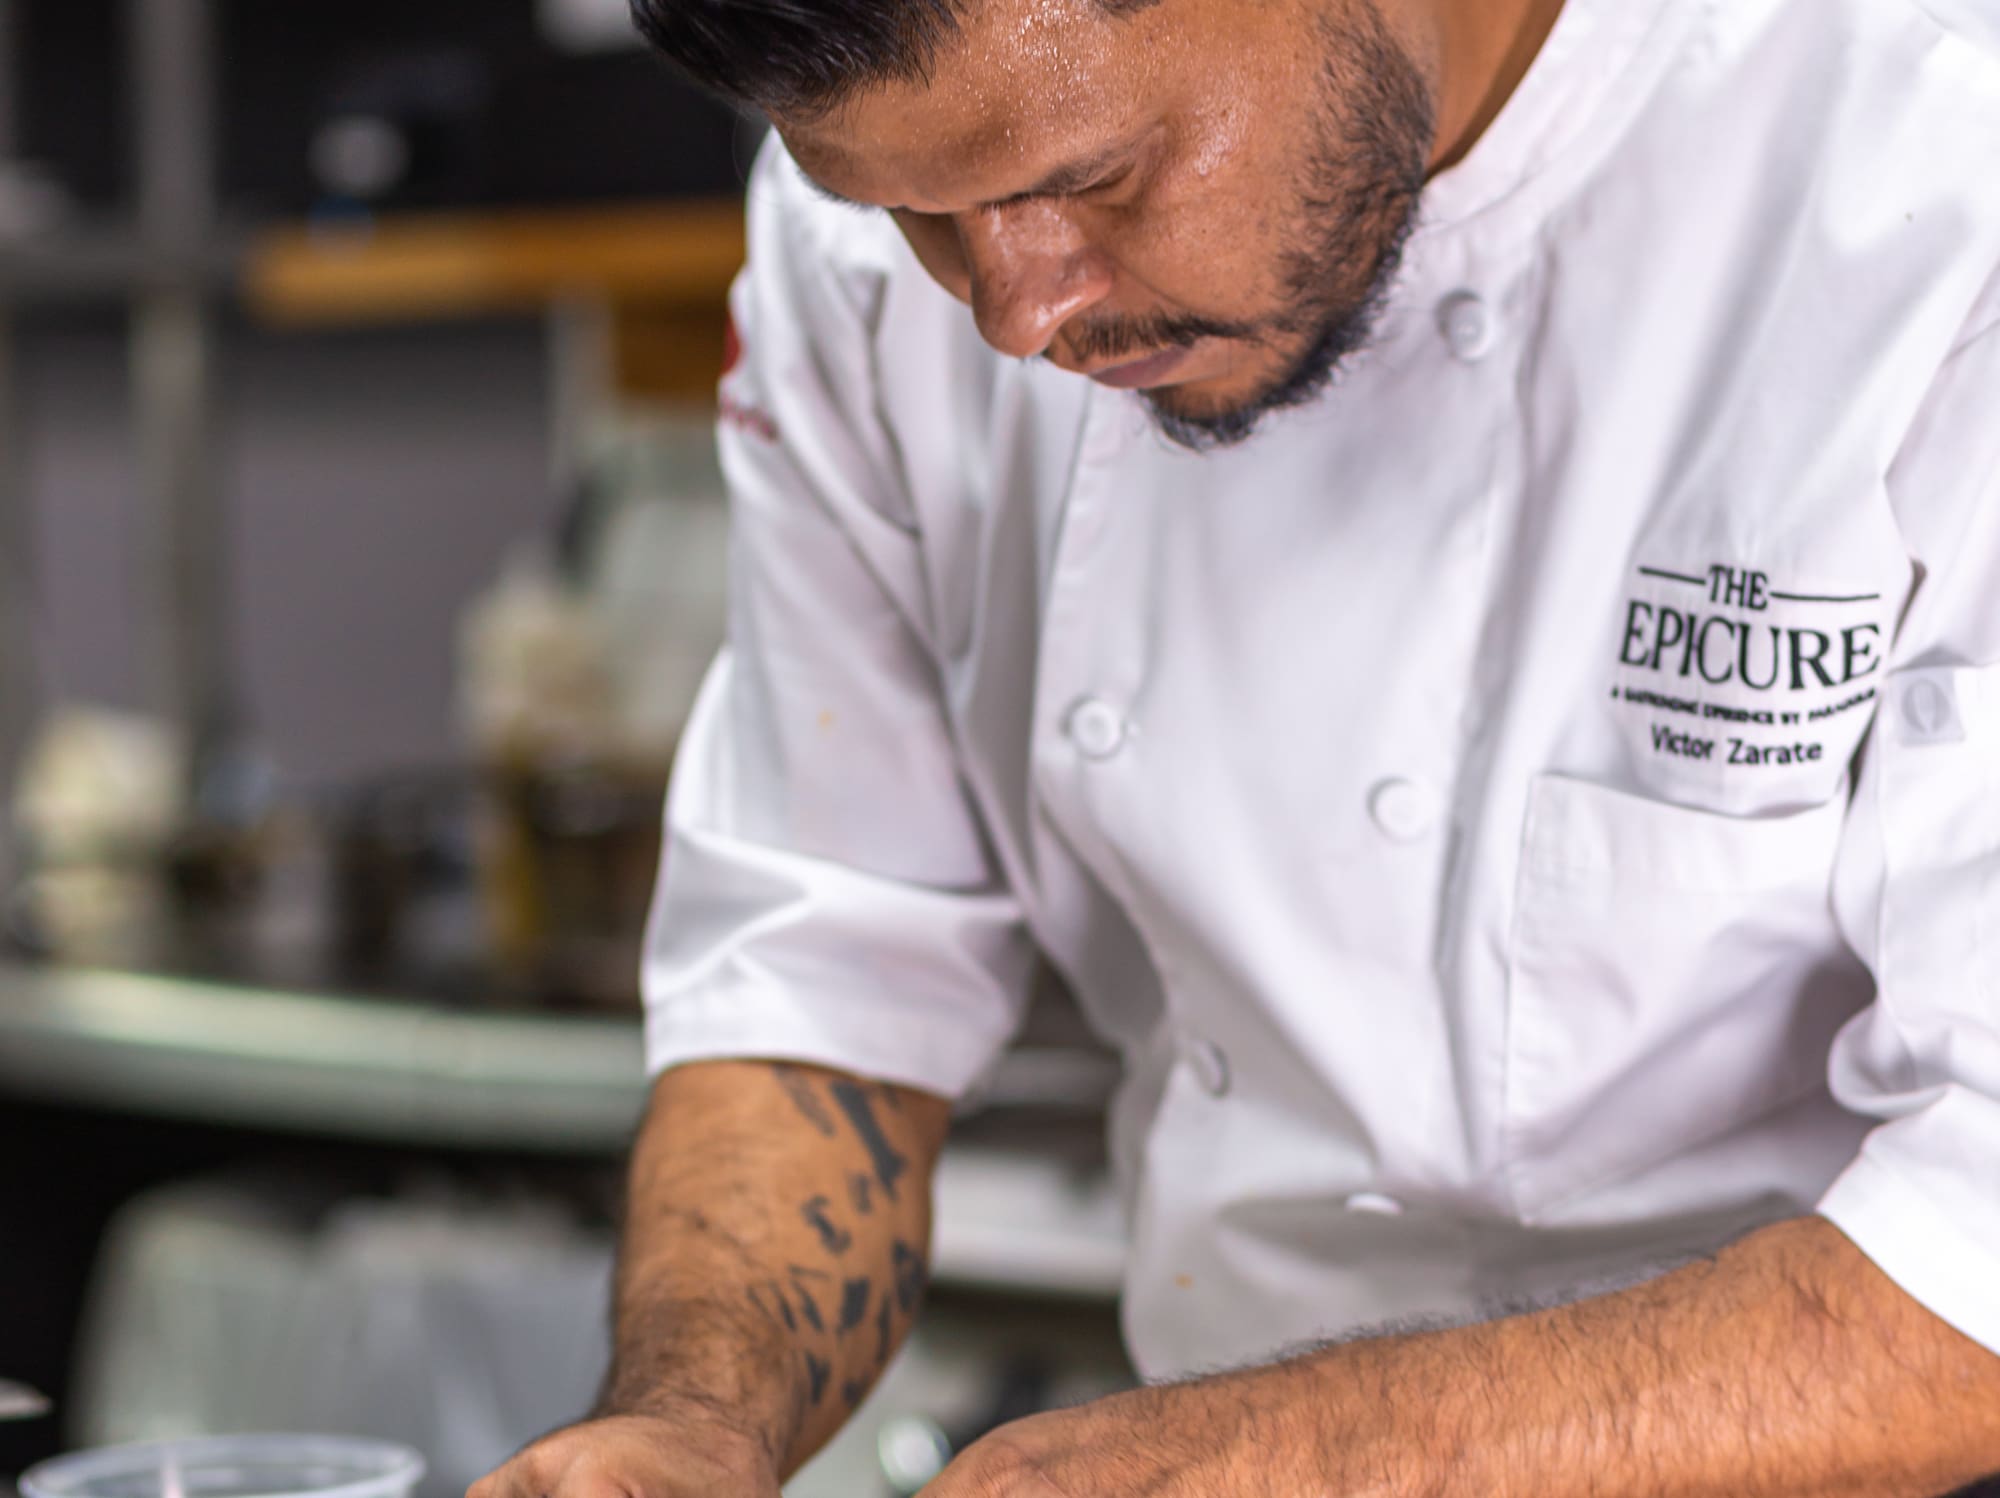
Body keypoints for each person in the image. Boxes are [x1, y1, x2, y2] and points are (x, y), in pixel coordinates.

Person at [472, 0, 2000, 1490]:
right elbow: (823, 963)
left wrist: (1250, 1460)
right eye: (918, 216)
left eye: (1088, 178)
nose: (1017, 312)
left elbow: (1979, 1250)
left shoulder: (1933, 167)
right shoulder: (869, 245)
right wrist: (696, 1423)